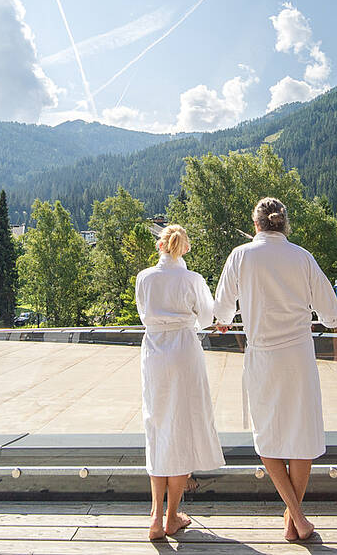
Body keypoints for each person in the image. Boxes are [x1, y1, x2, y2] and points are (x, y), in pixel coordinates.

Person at [214, 197, 337, 542]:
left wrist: (224, 321)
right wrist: (333, 318)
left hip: (263, 358)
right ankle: (294, 519)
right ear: (284, 224)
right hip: (298, 357)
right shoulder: (302, 257)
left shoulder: (240, 256)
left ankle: (294, 517)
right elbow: (330, 315)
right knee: (302, 437)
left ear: (256, 224)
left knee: (267, 437)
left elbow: (222, 310)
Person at [136, 223, 225, 540]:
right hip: (185, 350)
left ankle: (155, 517)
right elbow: (207, 317)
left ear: (159, 246)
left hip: (155, 353)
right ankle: (172, 516)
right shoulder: (193, 280)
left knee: (157, 425)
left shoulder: (144, 278)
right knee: (183, 428)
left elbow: (143, 313)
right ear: (184, 248)